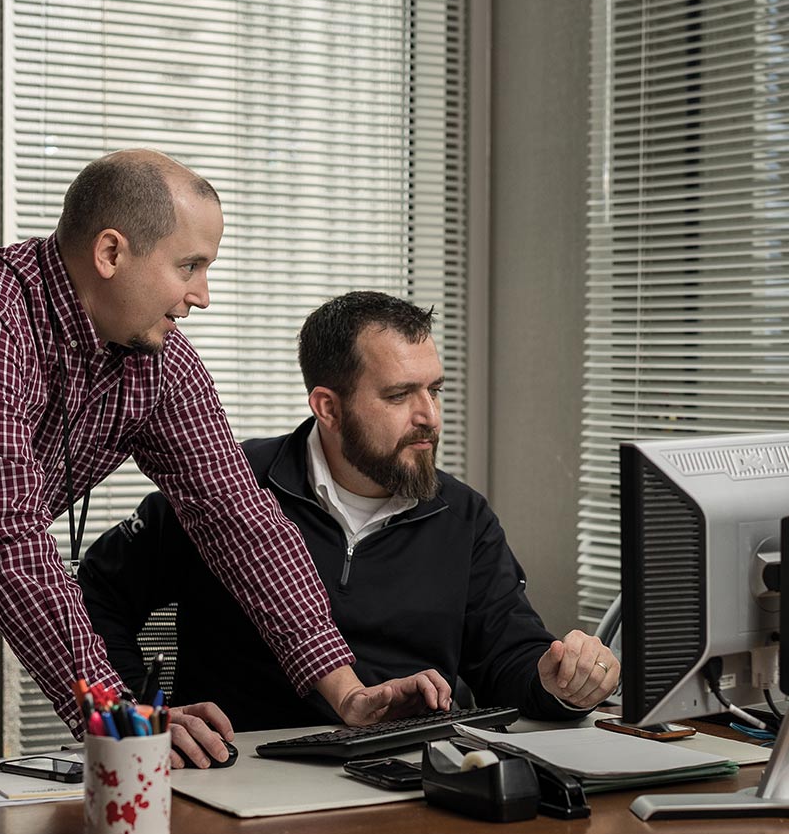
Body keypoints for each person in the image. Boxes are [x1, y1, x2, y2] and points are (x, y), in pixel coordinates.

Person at [0, 151, 440, 771]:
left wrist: (345, 692)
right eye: (189, 266)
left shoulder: (157, 358)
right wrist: (118, 716)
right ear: (111, 253)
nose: (202, 296)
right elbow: (2, 538)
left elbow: (237, 518)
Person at [79, 291, 620, 745]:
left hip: (408, 776)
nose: (430, 417)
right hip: (241, 773)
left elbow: (509, 658)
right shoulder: (221, 490)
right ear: (329, 407)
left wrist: (560, 681)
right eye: (399, 395)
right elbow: (94, 594)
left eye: (434, 390)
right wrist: (138, 716)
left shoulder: (463, 516)